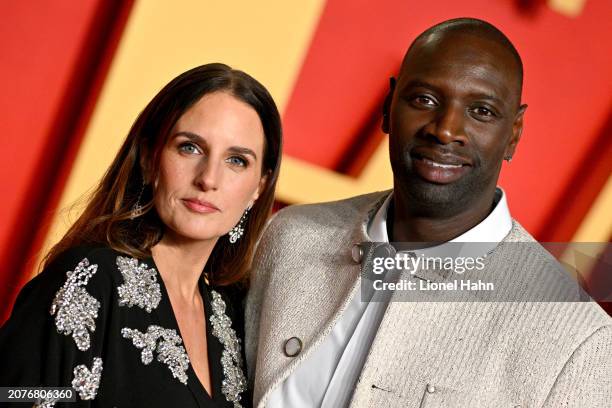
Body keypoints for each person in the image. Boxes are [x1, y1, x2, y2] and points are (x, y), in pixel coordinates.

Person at [245, 18, 612, 408]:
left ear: (514, 132)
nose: (446, 129)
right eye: (424, 100)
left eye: (482, 111)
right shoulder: (291, 238)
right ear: (389, 107)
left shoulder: (578, 339)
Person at [0, 63, 282, 407]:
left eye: (237, 160)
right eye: (189, 147)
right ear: (150, 158)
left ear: (259, 186)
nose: (209, 178)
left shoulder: (234, 317)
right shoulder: (89, 278)